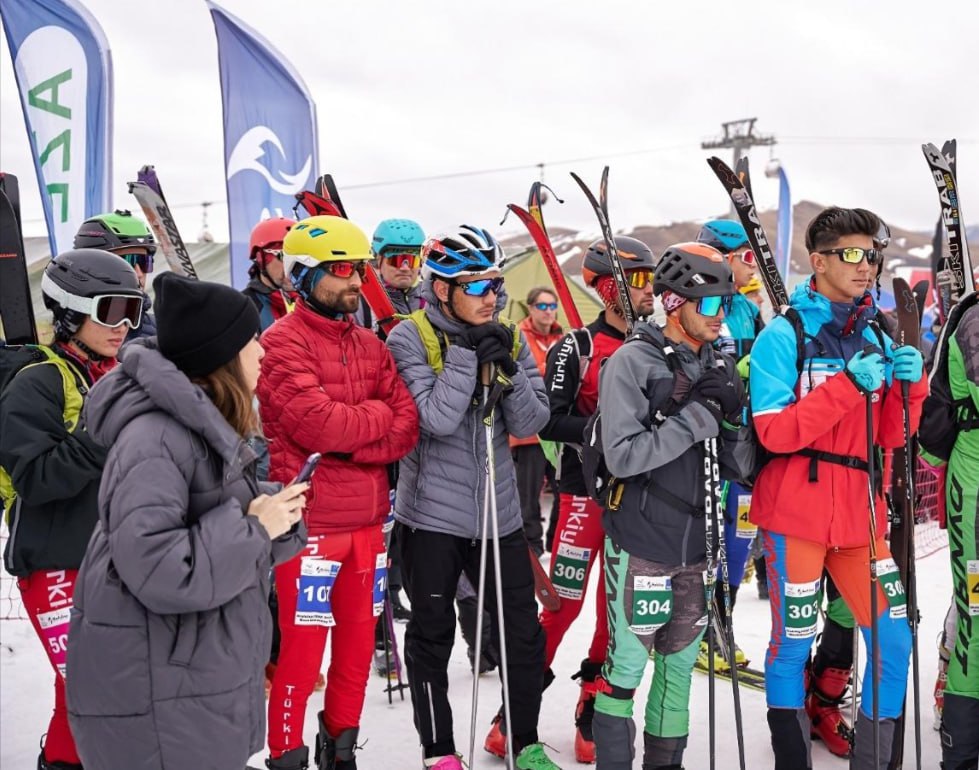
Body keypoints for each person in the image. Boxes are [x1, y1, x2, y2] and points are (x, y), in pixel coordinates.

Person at [64, 274, 307, 770]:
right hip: (159, 700)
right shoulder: (154, 438)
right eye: (251, 342)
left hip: (190, 689)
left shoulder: (199, 431)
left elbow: (209, 524)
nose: (263, 354)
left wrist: (274, 516)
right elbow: (159, 567)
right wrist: (255, 527)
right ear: (220, 358)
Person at [748, 207, 927, 769]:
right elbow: (774, 432)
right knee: (793, 643)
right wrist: (848, 385)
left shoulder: (874, 331)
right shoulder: (785, 335)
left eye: (872, 254)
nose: (866, 265)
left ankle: (874, 763)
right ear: (818, 260)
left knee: (894, 638)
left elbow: (892, 433)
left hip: (861, 517)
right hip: (795, 512)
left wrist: (910, 385)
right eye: (852, 254)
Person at [385, 225, 556, 770]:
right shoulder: (407, 336)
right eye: (477, 286)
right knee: (432, 636)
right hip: (431, 516)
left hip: (500, 515)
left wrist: (505, 366)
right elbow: (432, 419)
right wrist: (464, 358)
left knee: (522, 637)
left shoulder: (507, 333)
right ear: (442, 289)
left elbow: (533, 420)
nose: (492, 297)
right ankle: (439, 752)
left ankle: (524, 741)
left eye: (496, 284)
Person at [259, 215, 419, 770]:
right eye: (343, 270)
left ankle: (340, 754)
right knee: (301, 663)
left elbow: (405, 429)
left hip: (370, 526)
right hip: (310, 528)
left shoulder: (372, 346)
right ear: (304, 275)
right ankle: (286, 757)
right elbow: (318, 426)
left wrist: (351, 441)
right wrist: (359, 429)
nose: (358, 280)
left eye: (360, 267)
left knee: (354, 658)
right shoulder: (280, 344)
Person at [592, 241, 751, 770]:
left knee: (679, 669)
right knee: (626, 670)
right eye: (709, 304)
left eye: (725, 304)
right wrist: (700, 414)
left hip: (698, 546)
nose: (719, 316)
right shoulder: (632, 362)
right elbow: (622, 456)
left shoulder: (716, 361)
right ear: (673, 302)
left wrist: (732, 421)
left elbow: (738, 466)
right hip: (642, 542)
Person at [0, 249, 143, 770]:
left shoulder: (117, 376)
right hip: (55, 563)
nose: (124, 325)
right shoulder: (37, 382)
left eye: (134, 310)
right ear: (70, 309)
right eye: (111, 311)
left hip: (113, 559)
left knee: (82, 694)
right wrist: (98, 430)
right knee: (93, 690)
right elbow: (34, 479)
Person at [532, 236, 656, 763]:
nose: (652, 291)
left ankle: (590, 711)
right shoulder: (575, 347)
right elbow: (547, 417)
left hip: (634, 500)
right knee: (562, 606)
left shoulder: (654, 345)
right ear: (609, 288)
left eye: (654, 280)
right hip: (583, 495)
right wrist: (603, 430)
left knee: (618, 613)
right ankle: (513, 711)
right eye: (641, 280)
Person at [694, 219, 763, 674]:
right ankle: (701, 631)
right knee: (711, 543)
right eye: (746, 258)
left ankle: (722, 625)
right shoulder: (699, 306)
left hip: (747, 443)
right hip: (711, 442)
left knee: (739, 542)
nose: (751, 267)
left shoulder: (749, 310)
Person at [918, 290, 979, 769]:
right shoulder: (975, 320)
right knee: (976, 616)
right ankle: (960, 752)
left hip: (967, 472)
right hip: (974, 482)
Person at [510, 286, 563, 556]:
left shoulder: (563, 336)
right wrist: (546, 372)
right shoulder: (519, 335)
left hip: (557, 429)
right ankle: (531, 545)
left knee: (562, 488)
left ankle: (556, 541)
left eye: (552, 305)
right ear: (530, 307)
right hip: (528, 430)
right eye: (542, 306)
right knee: (527, 494)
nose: (548, 311)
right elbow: (520, 375)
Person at [73, 210, 158, 340]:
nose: (138, 273)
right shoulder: (75, 332)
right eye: (127, 261)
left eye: (144, 262)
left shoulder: (161, 330)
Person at [242, 216, 298, 330]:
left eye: (300, 256)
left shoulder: (313, 302)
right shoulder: (244, 308)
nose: (293, 265)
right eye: (283, 256)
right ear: (261, 258)